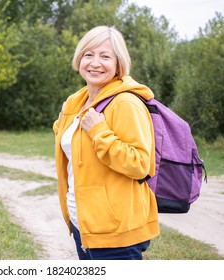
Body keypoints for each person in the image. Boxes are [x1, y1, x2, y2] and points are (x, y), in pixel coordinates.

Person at [53, 25, 160, 260]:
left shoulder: (125, 102)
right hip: (85, 224)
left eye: (105, 56)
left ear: (118, 64)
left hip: (117, 230)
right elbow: (74, 143)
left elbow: (141, 163)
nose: (95, 63)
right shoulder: (77, 100)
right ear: (79, 59)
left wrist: (99, 131)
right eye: (88, 55)